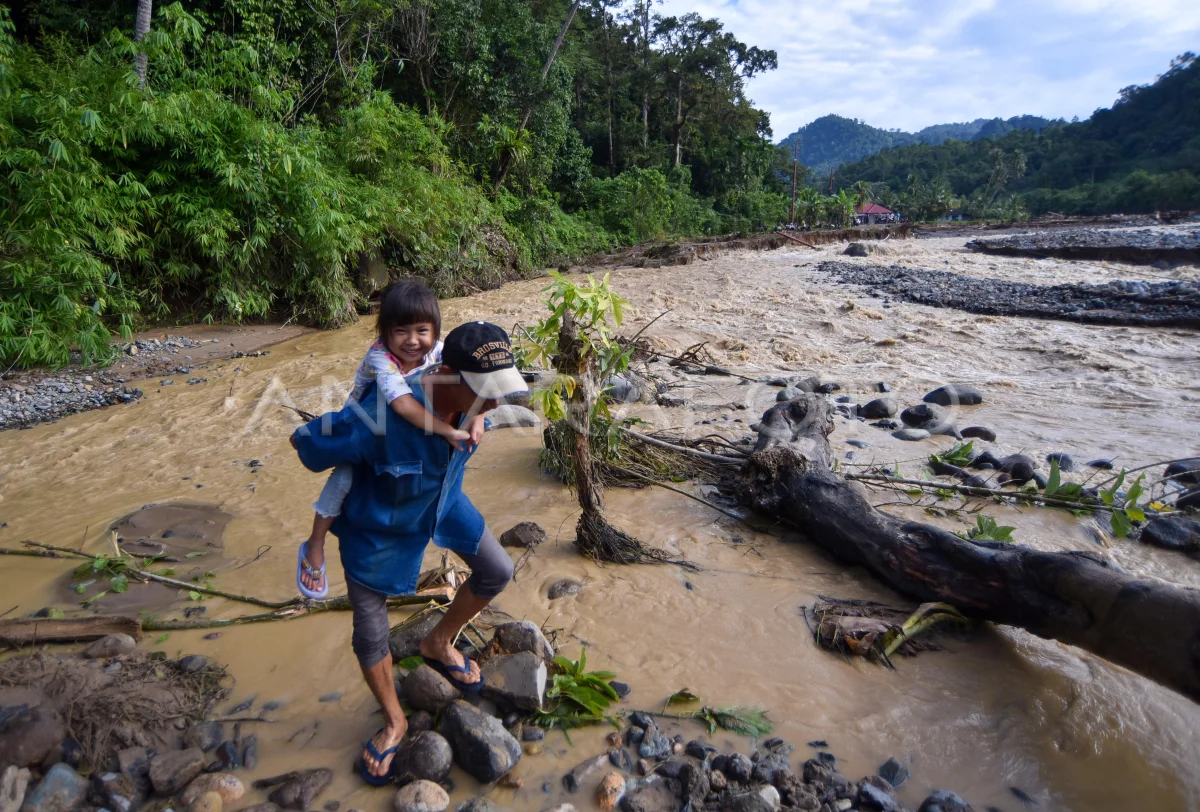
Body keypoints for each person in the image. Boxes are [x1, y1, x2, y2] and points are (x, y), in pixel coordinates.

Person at [291, 320, 527, 784]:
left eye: (499, 391)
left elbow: (485, 408)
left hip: (443, 503)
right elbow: (306, 443)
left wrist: (478, 414)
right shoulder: (379, 416)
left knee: (497, 569)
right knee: (370, 633)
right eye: (485, 394)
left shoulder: (474, 405)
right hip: (378, 529)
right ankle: (395, 720)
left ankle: (437, 643)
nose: (496, 404)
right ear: (447, 376)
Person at [296, 281, 486, 599]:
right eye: (401, 331)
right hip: (365, 423)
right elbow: (402, 405)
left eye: (422, 331)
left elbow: (475, 377)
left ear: (435, 330)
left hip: (407, 424)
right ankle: (314, 544)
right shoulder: (379, 357)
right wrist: (447, 430)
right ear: (384, 332)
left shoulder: (439, 351)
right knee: (343, 478)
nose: (412, 341)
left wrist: (477, 414)